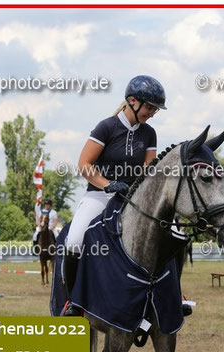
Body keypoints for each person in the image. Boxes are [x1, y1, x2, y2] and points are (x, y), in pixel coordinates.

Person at [62, 75, 166, 316]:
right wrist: (108, 184)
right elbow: (84, 164)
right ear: (133, 101)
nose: (152, 113)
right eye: (150, 107)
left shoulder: (149, 133)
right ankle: (73, 301)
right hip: (99, 196)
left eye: (155, 109)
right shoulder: (106, 127)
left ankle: (168, 296)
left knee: (162, 237)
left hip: (132, 199)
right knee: (75, 240)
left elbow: (148, 170)